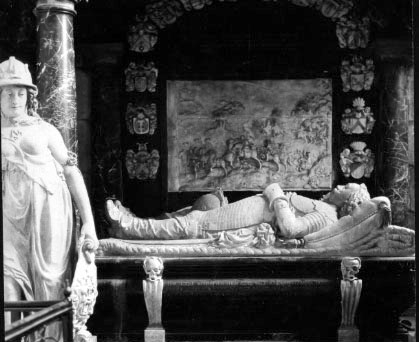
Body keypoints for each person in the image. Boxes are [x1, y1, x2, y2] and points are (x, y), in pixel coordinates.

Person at [1, 56, 98, 302]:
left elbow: (71, 171)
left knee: (50, 284)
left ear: (29, 97)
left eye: (20, 94)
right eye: (8, 93)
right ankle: (15, 330)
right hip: (9, 215)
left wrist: (89, 223)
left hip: (49, 211)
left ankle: (51, 329)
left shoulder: (44, 129)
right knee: (8, 280)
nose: (15, 100)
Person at [105, 182, 372, 241]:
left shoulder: (327, 216)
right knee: (197, 218)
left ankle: (129, 228)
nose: (339, 186)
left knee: (195, 224)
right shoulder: (325, 209)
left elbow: (292, 229)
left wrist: (276, 194)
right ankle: (132, 224)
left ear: (350, 202)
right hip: (250, 211)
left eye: (346, 188)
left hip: (249, 220)